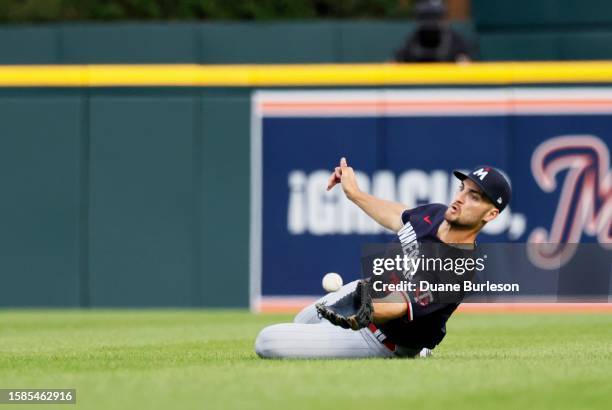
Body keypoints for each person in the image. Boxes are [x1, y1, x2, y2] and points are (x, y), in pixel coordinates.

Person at [255, 158, 511, 359]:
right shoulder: (435, 214)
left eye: (474, 197)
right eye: (462, 189)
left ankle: (413, 352)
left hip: (383, 338)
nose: (460, 198)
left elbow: (399, 305)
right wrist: (354, 193)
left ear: (490, 215)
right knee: (301, 322)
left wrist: (362, 308)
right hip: (364, 291)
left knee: (268, 341)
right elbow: (398, 215)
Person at [394, 0, 473, 63]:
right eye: (426, 16)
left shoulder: (455, 41)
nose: (431, 23)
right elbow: (395, 63)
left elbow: (466, 67)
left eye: (436, 16)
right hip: (420, 81)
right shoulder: (413, 41)